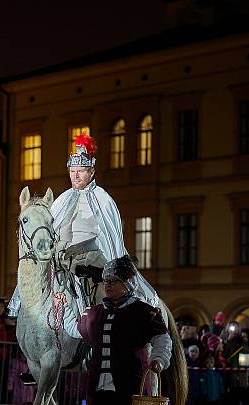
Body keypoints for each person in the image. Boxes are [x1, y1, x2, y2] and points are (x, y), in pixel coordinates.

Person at [8, 133, 161, 339]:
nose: (76, 176)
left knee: (102, 294)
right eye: (72, 171)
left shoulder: (103, 199)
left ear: (91, 172)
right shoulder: (62, 199)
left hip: (93, 258)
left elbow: (105, 237)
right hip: (63, 259)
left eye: (80, 171)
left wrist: (76, 251)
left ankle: (102, 333)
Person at [76, 256, 172, 405]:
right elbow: (81, 335)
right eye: (106, 281)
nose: (108, 285)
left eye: (114, 281)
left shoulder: (145, 312)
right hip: (99, 382)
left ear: (127, 284)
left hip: (130, 380)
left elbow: (162, 339)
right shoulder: (94, 313)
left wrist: (159, 360)